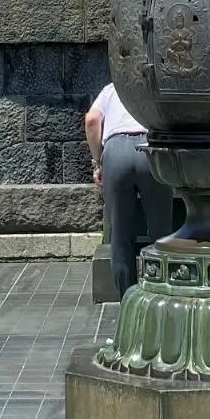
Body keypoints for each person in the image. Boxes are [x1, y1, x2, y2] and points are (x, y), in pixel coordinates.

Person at [85, 80, 173, 299]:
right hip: (151, 149)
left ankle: (127, 298)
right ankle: (160, 292)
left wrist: (98, 162)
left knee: (120, 232)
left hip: (115, 152)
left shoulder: (112, 89)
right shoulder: (156, 85)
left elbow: (92, 120)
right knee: (161, 230)